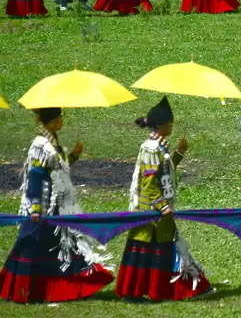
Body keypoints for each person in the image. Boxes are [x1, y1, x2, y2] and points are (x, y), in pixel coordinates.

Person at [0, 107, 114, 303]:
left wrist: (74, 156)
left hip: (56, 206)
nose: (62, 120)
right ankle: (25, 290)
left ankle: (68, 288)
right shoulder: (40, 145)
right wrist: (36, 207)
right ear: (51, 121)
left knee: (62, 246)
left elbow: (57, 169)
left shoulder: (52, 143)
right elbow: (36, 176)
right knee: (33, 246)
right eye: (59, 117)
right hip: (43, 207)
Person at [116, 97, 211, 301]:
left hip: (159, 212)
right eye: (170, 123)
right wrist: (162, 207)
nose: (172, 126)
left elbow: (165, 172)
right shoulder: (151, 149)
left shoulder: (160, 146)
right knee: (144, 251)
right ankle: (134, 293)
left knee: (163, 248)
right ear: (161, 125)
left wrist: (180, 153)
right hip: (150, 212)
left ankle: (162, 290)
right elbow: (149, 183)